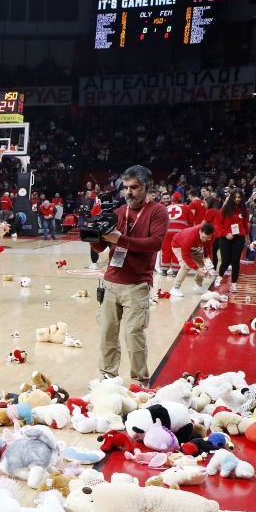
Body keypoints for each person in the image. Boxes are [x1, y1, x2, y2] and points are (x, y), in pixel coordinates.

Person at [89, 165, 168, 385]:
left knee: (134, 335)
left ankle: (140, 381)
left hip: (137, 284)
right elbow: (100, 249)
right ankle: (108, 376)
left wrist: (120, 239)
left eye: (134, 187)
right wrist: (94, 236)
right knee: (107, 334)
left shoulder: (157, 211)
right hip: (111, 282)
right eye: (125, 188)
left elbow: (156, 243)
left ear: (147, 187)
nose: (129, 192)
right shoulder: (117, 212)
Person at [169, 222, 216, 296]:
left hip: (194, 247)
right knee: (186, 266)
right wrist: (196, 268)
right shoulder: (190, 236)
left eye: (208, 238)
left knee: (202, 264)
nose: (205, 240)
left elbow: (208, 250)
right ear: (200, 231)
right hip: (179, 245)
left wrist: (209, 267)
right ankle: (175, 288)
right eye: (203, 237)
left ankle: (198, 286)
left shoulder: (212, 236)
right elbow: (185, 255)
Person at [216, 191, 249, 292]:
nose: (237, 199)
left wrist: (248, 238)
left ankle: (234, 284)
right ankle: (220, 276)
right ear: (231, 198)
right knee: (225, 261)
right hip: (225, 238)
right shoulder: (224, 210)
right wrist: (225, 233)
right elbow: (217, 224)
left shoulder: (244, 211)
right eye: (235, 197)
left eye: (239, 197)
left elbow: (245, 225)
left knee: (235, 261)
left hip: (239, 238)